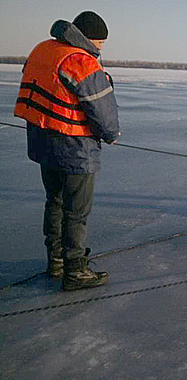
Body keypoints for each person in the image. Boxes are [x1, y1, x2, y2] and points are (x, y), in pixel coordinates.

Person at [13, 11, 120, 291]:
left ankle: (56, 260)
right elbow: (102, 109)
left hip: (42, 140)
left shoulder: (43, 50)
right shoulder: (80, 61)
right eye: (99, 42)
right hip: (74, 147)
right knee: (76, 211)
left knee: (55, 201)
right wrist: (111, 135)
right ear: (87, 38)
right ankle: (75, 270)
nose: (99, 48)